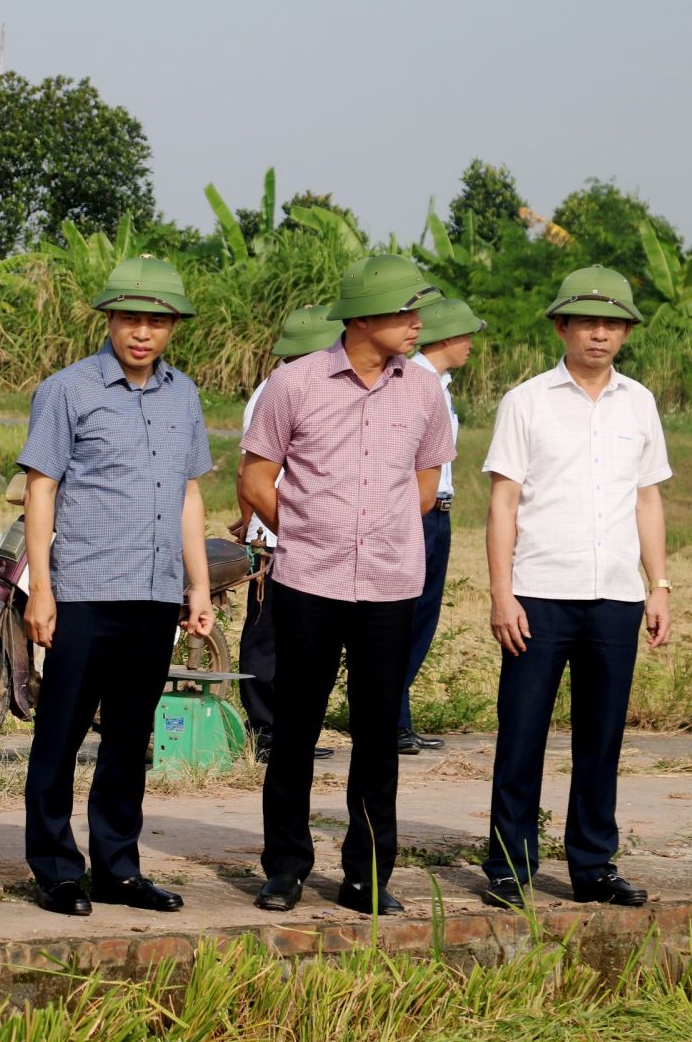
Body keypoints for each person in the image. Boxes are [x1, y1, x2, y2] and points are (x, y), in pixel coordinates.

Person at [239, 254, 454, 916]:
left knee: (377, 735)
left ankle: (366, 874)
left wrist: (375, 533)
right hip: (309, 582)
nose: (419, 324)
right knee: (296, 731)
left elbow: (425, 484)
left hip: (389, 587)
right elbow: (254, 478)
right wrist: (304, 532)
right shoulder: (294, 383)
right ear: (364, 317)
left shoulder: (423, 391)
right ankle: (286, 867)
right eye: (405, 311)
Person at [19, 255, 215, 917]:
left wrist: (199, 586)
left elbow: (189, 493)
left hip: (156, 592)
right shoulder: (67, 390)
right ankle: (53, 868)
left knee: (130, 738)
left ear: (172, 329)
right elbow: (40, 488)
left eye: (156, 322)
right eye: (130, 319)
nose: (142, 333)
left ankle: (118, 867)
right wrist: (41, 587)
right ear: (109, 320)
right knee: (61, 731)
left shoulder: (184, 394)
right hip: (84, 589)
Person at [481, 265, 672, 910]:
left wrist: (659, 584)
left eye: (613, 324)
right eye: (587, 322)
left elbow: (647, 499)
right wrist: (501, 593)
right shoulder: (527, 401)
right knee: (523, 732)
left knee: (602, 736)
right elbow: (503, 501)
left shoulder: (639, 402)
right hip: (540, 593)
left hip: (616, 596)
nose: (600, 334)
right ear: (561, 326)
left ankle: (593, 865)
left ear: (625, 333)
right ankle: (510, 866)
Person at [231, 305, 342, 764]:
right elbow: (248, 470)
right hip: (275, 534)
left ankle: (292, 728)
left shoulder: (313, 385)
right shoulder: (277, 390)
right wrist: (254, 524)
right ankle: (265, 730)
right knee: (266, 635)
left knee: (302, 638)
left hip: (300, 532)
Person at [396, 298, 485, 755]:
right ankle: (390, 718)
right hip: (418, 511)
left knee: (422, 619)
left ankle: (397, 717)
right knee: (408, 617)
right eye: (467, 335)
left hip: (438, 511)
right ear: (447, 337)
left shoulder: (439, 385)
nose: (471, 344)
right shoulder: (414, 382)